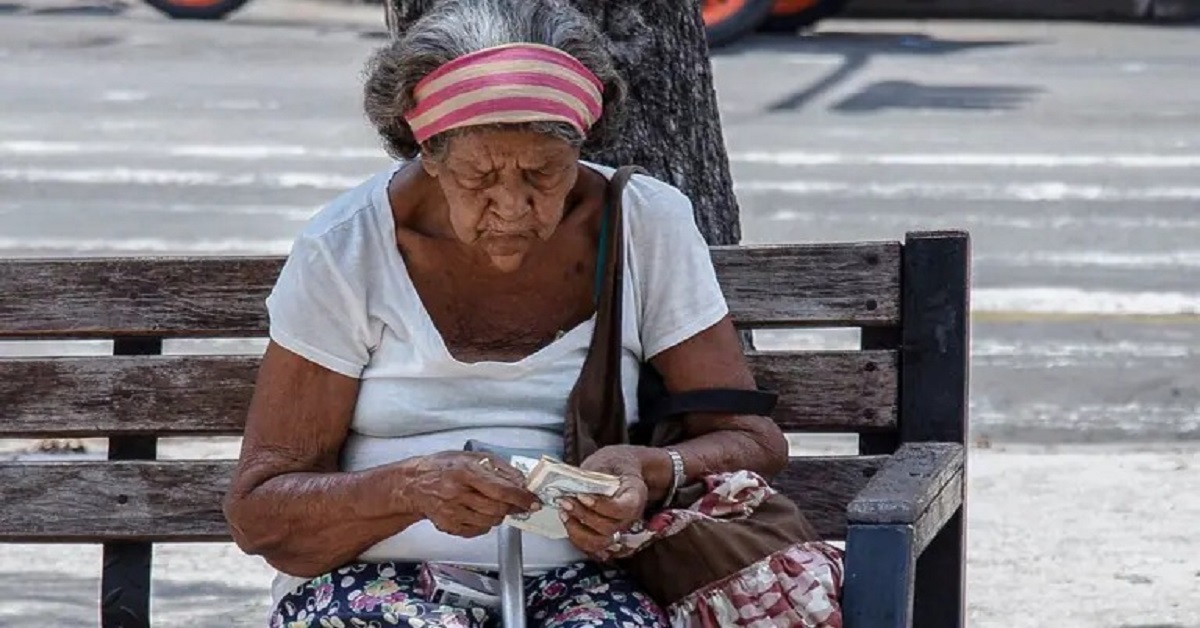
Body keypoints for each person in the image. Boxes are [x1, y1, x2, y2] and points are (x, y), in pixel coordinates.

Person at [221, 0, 789, 626]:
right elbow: (260, 509)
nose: (514, 207)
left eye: (544, 174)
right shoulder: (346, 248)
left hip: (584, 579)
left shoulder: (646, 226)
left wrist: (650, 470)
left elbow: (752, 439)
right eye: (480, 177)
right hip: (375, 581)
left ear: (583, 144)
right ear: (426, 152)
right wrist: (409, 488)